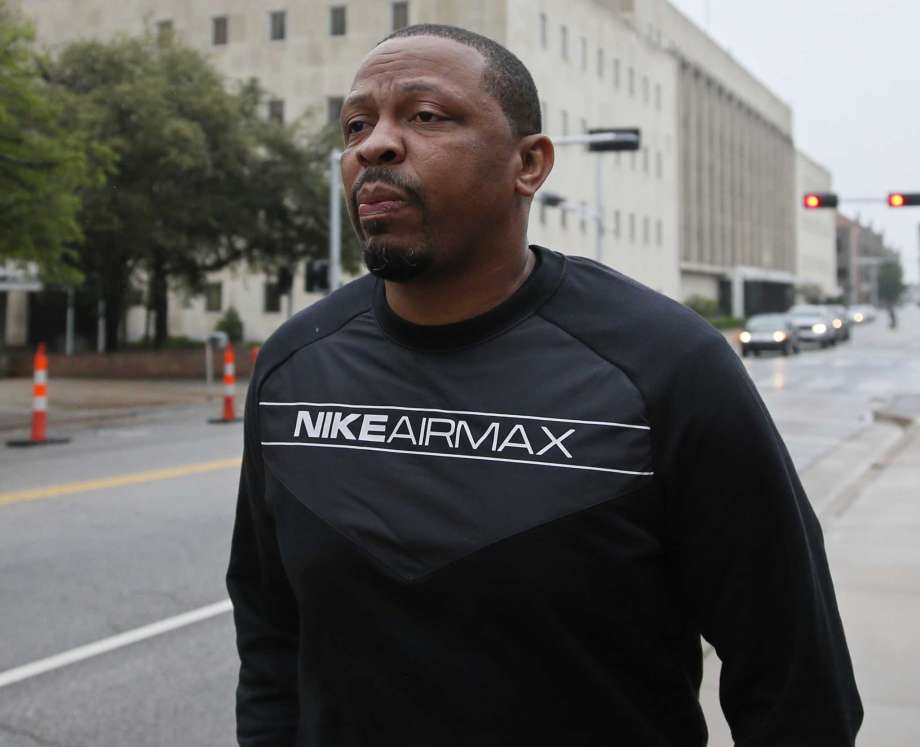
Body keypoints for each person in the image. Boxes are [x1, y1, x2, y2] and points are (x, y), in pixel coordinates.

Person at [227, 24, 862, 746]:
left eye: (426, 116)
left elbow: (794, 681)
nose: (375, 145)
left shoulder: (667, 364)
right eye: (357, 125)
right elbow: (270, 643)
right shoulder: (292, 372)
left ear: (528, 164)